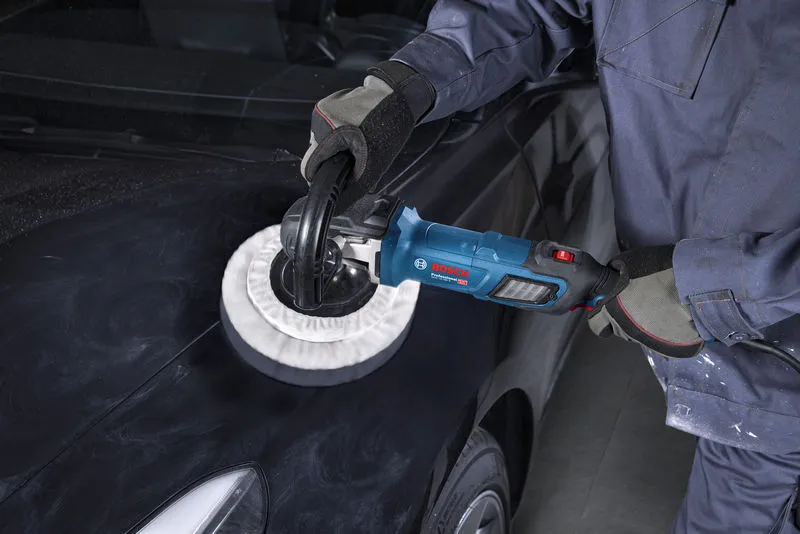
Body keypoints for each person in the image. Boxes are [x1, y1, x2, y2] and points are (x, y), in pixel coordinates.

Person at [300, 1, 800, 532]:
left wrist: (713, 291)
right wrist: (404, 88)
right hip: (709, 347)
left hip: (783, 371)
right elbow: (529, 9)